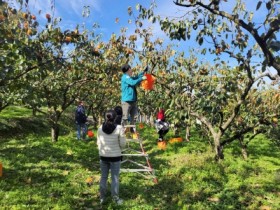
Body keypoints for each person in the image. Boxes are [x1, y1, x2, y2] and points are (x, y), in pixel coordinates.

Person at [97, 109, 126, 205]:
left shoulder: (100, 128)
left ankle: (102, 198)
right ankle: (115, 199)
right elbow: (123, 144)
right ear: (115, 117)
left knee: (103, 177)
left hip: (103, 156)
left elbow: (98, 143)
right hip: (115, 157)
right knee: (115, 178)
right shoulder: (119, 128)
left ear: (106, 117)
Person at [121, 64, 148, 128]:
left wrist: (143, 72)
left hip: (133, 101)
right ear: (128, 69)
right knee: (125, 117)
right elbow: (133, 82)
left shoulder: (129, 77)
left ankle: (132, 131)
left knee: (134, 117)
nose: (132, 70)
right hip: (126, 101)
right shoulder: (125, 77)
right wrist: (142, 78)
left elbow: (136, 77)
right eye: (131, 69)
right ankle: (123, 132)